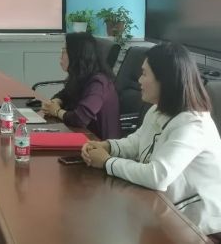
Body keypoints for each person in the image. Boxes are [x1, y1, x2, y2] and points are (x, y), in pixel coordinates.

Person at [82, 42, 221, 236]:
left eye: (145, 74)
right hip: (165, 209)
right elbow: (137, 141)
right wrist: (107, 146)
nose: (139, 80)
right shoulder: (158, 109)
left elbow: (158, 176)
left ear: (165, 80)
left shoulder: (193, 125)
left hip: (198, 226)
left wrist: (107, 162)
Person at [41, 32, 121, 139]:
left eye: (64, 51)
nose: (61, 56)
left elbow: (80, 119)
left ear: (76, 55)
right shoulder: (81, 76)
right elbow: (66, 93)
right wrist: (56, 101)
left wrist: (56, 111)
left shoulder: (99, 83)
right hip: (81, 135)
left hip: (98, 143)